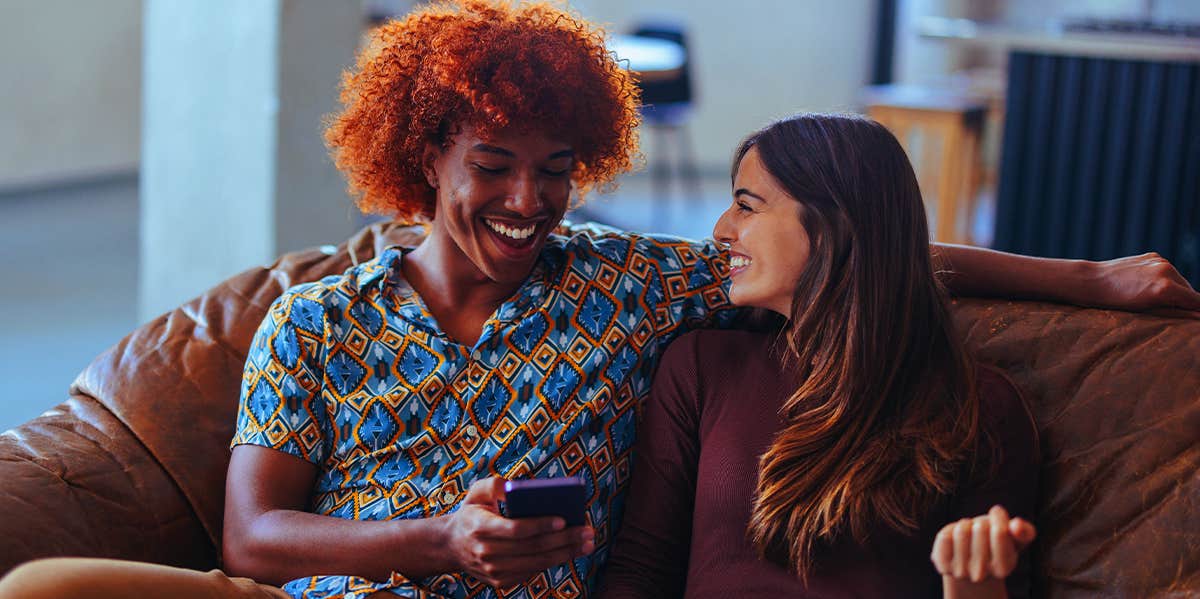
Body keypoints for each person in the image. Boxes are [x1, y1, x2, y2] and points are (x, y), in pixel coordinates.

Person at [1, 2, 1197, 599]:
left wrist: (1090, 276)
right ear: (423, 163)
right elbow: (249, 538)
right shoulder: (317, 319)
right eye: (496, 167)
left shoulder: (627, 288)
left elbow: (855, 252)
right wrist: (434, 538)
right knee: (46, 585)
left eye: (558, 170)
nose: (532, 201)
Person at [598, 113, 1043, 598]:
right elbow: (639, 572)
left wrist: (969, 582)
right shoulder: (702, 368)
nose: (721, 228)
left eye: (747, 207)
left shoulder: (979, 407)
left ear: (834, 224)